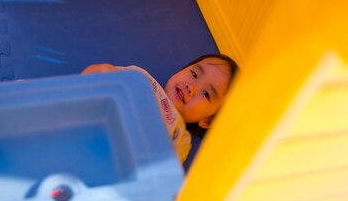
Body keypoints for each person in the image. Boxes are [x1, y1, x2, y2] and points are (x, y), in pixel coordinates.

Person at [82, 54, 238, 162]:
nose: (191, 87)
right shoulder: (142, 77)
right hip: (92, 122)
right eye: (194, 74)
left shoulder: (180, 135)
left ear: (208, 121)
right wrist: (104, 71)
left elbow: (163, 173)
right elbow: (95, 76)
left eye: (206, 94)